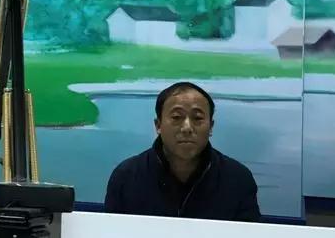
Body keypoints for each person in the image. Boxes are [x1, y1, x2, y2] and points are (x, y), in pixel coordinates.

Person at [104, 82, 262, 222]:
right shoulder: (126, 177)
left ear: (211, 127)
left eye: (197, 118)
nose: (187, 127)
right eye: (176, 117)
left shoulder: (238, 179)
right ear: (158, 125)